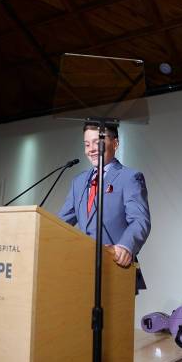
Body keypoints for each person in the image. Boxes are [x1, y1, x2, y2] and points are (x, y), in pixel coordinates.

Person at [58, 122, 151, 292]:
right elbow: (60, 224)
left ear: (115, 143)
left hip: (115, 268)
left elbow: (140, 220)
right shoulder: (78, 182)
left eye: (97, 142)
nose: (91, 149)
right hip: (81, 270)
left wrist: (125, 246)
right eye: (87, 144)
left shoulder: (129, 177)